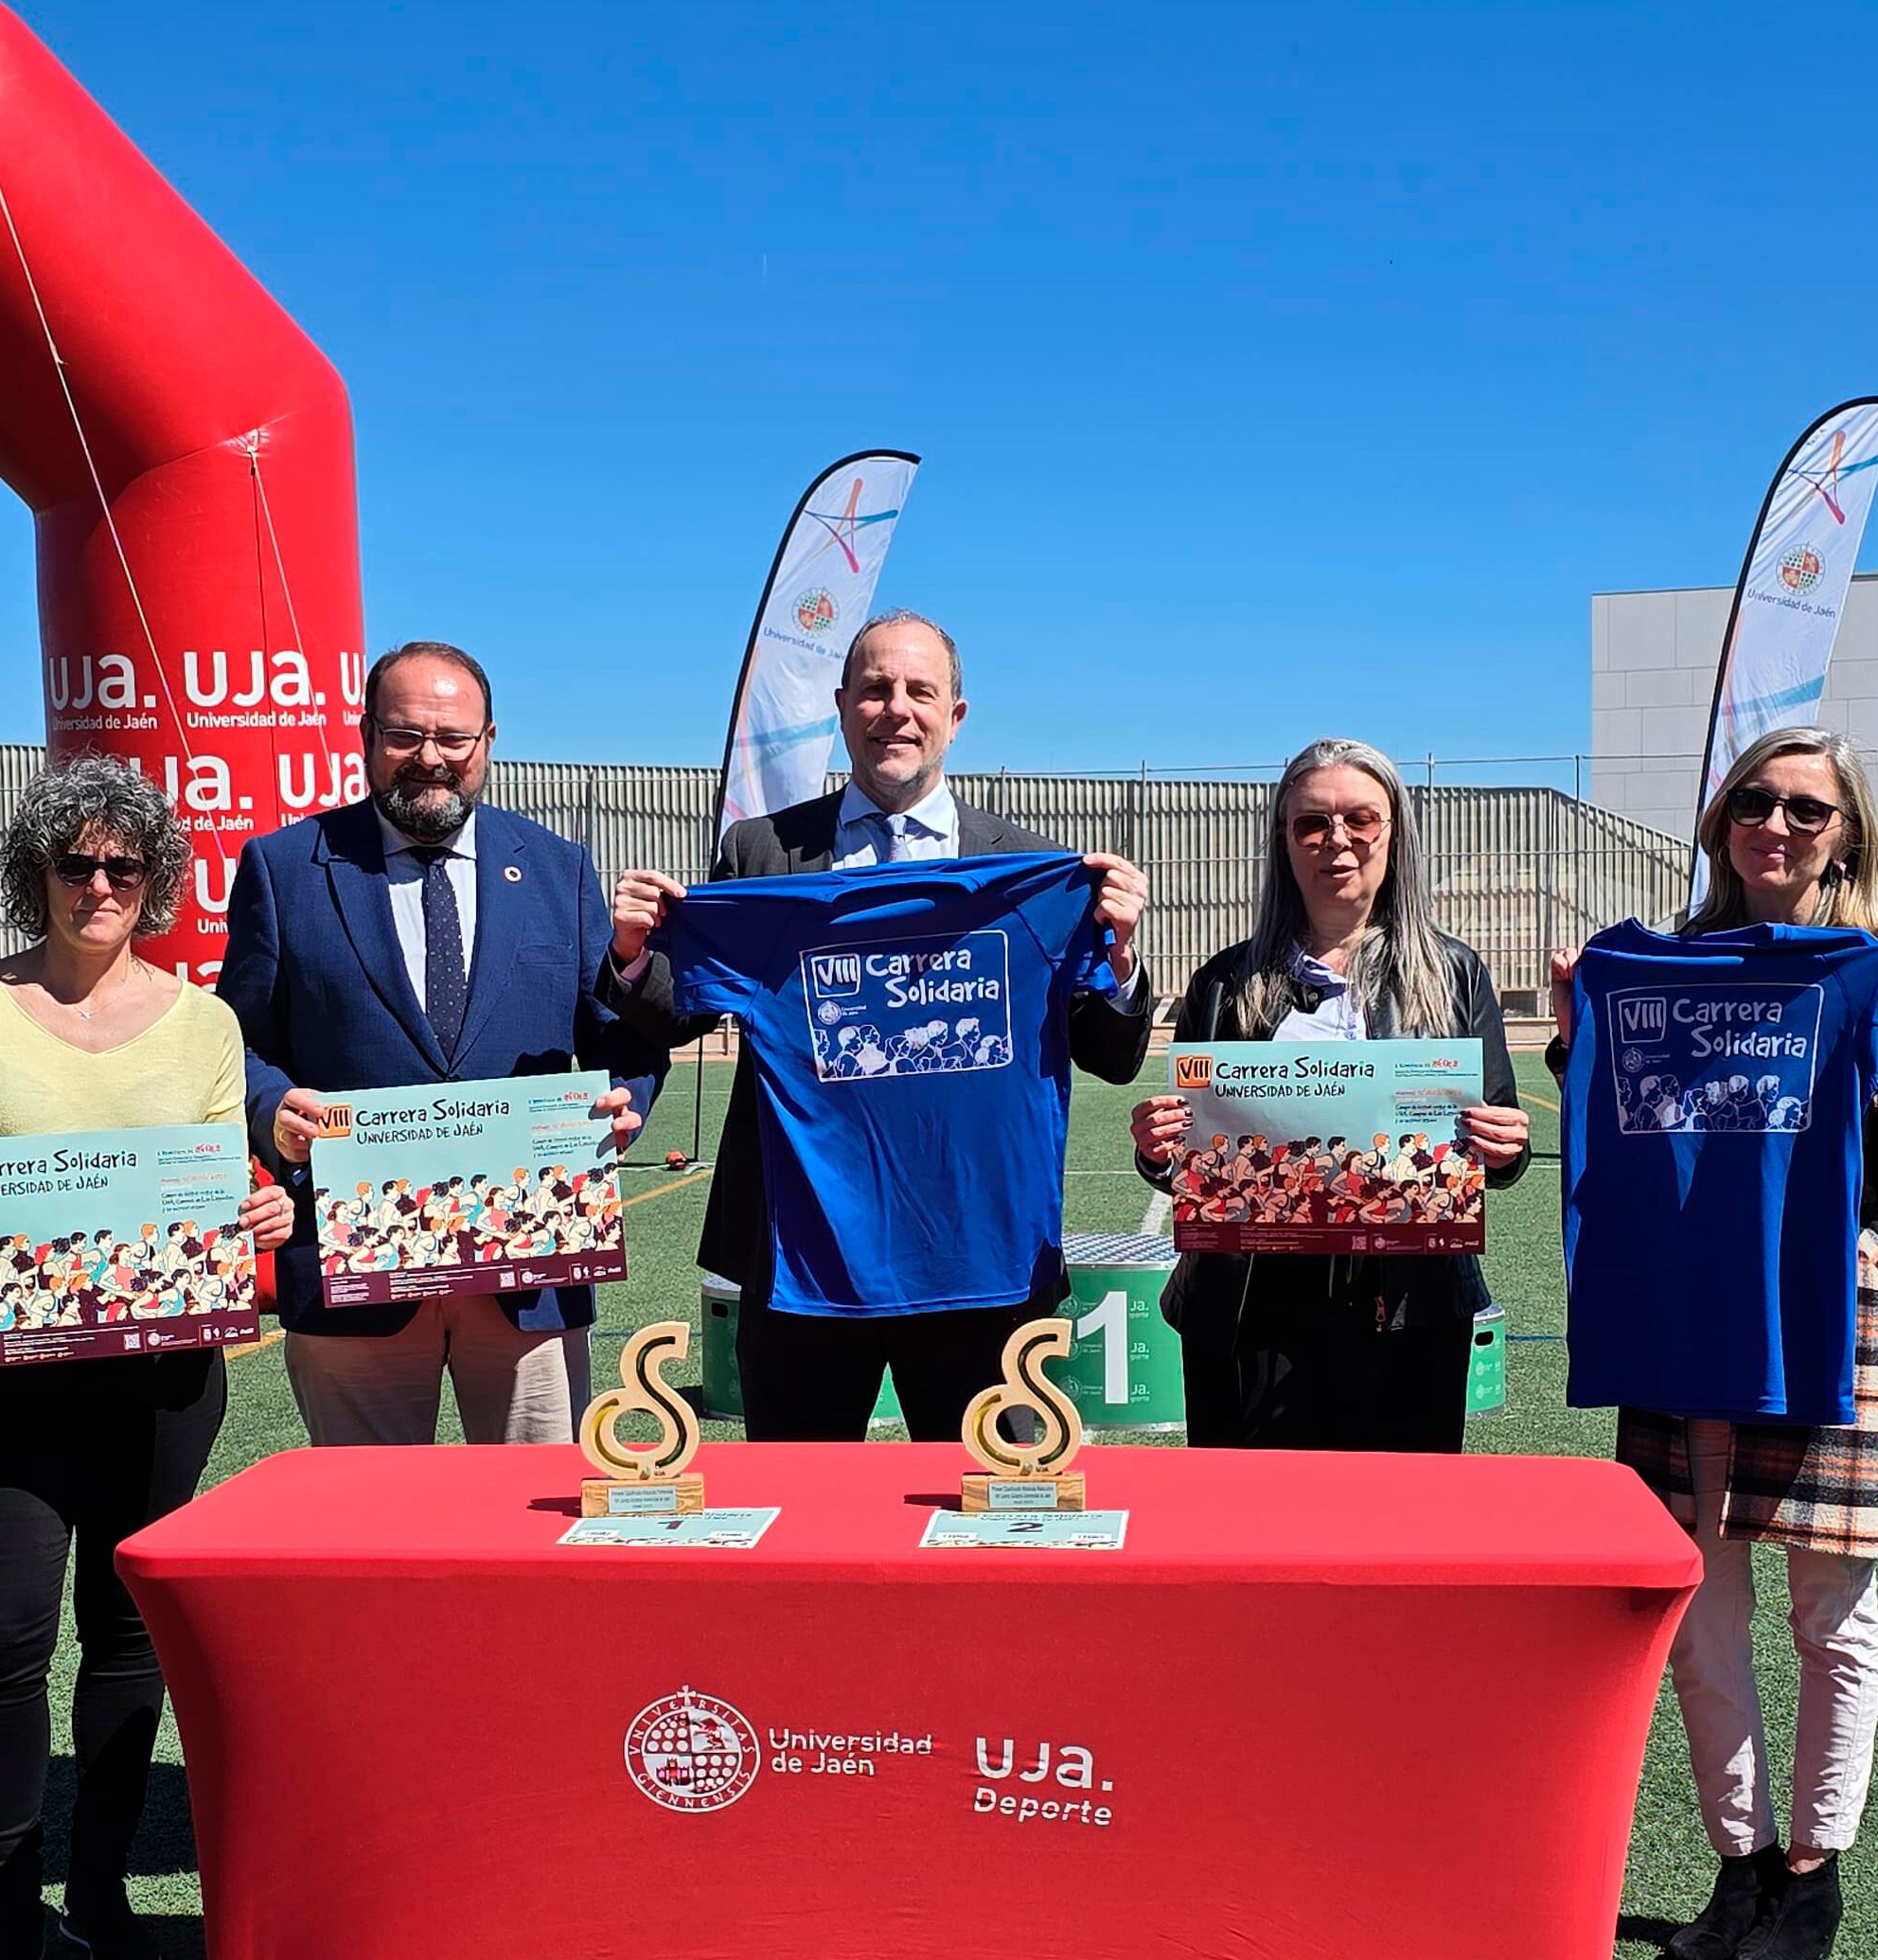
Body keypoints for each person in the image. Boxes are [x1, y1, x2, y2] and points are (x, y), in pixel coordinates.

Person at [0, 757, 293, 1960]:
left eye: (123, 865)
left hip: (161, 1382)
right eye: (75, 863)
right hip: (8, 1381)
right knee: (4, 1640)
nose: (99, 885)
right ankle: (10, 1911)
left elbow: (221, 1178)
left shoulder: (205, 1022)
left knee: (125, 1636)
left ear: (155, 880)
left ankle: (99, 1892)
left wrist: (262, 1205)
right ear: (36, 874)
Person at [1549, 725, 1878, 1960]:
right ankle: (1739, 1862)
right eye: (1754, 802)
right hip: (1684, 1320)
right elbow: (1627, 1137)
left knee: (1831, 1615)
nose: (1775, 826)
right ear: (1722, 819)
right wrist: (1580, 1032)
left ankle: (1813, 1871)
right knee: (1699, 1612)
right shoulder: (1651, 969)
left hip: (1831, 1323)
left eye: (1806, 810)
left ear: (1846, 836)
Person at [606, 609, 1154, 1439]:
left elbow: (1112, 1055)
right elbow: (678, 1017)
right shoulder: (761, 854)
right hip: (802, 1258)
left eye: (919, 691)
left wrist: (1119, 954)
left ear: (955, 715)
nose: (896, 709)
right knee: (799, 1499)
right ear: (842, 707)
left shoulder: (1038, 871)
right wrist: (633, 952)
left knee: (989, 1495)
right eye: (874, 689)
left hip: (981, 1257)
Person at [217, 640, 658, 1446]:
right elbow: (231, 1044)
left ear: (488, 741)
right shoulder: (283, 868)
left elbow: (619, 1030)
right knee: (367, 1514)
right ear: (366, 736)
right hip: (354, 1266)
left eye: (453, 738)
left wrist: (627, 1102)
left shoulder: (558, 868)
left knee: (536, 1506)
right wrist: (273, 1104)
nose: (430, 758)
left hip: (530, 1264)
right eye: (405, 735)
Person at [1124, 739, 1531, 1450]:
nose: (1336, 840)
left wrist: (1503, 1146)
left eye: (1360, 819)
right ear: (1284, 840)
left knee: (1400, 1514)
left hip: (1409, 1309)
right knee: (1248, 1514)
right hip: (1246, 1309)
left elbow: (1499, 1149)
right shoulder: (1222, 982)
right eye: (1311, 822)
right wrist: (1158, 1149)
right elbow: (1187, 1158)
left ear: (1394, 833)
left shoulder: (1455, 973)